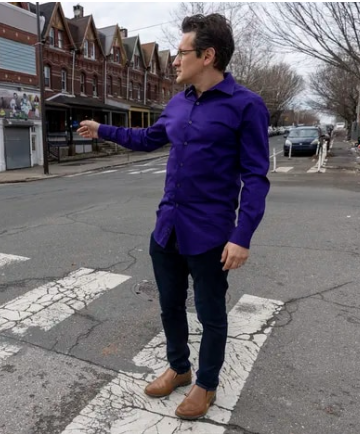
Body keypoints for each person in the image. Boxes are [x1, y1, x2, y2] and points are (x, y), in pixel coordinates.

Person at [77, 13, 270, 420]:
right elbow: (148, 139)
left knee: (211, 313)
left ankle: (206, 384)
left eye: (182, 53)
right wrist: (103, 129)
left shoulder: (245, 106)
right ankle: (180, 368)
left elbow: (255, 177)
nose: (175, 62)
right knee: (169, 306)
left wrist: (243, 235)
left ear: (208, 55)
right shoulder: (177, 103)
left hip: (211, 234)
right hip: (167, 228)